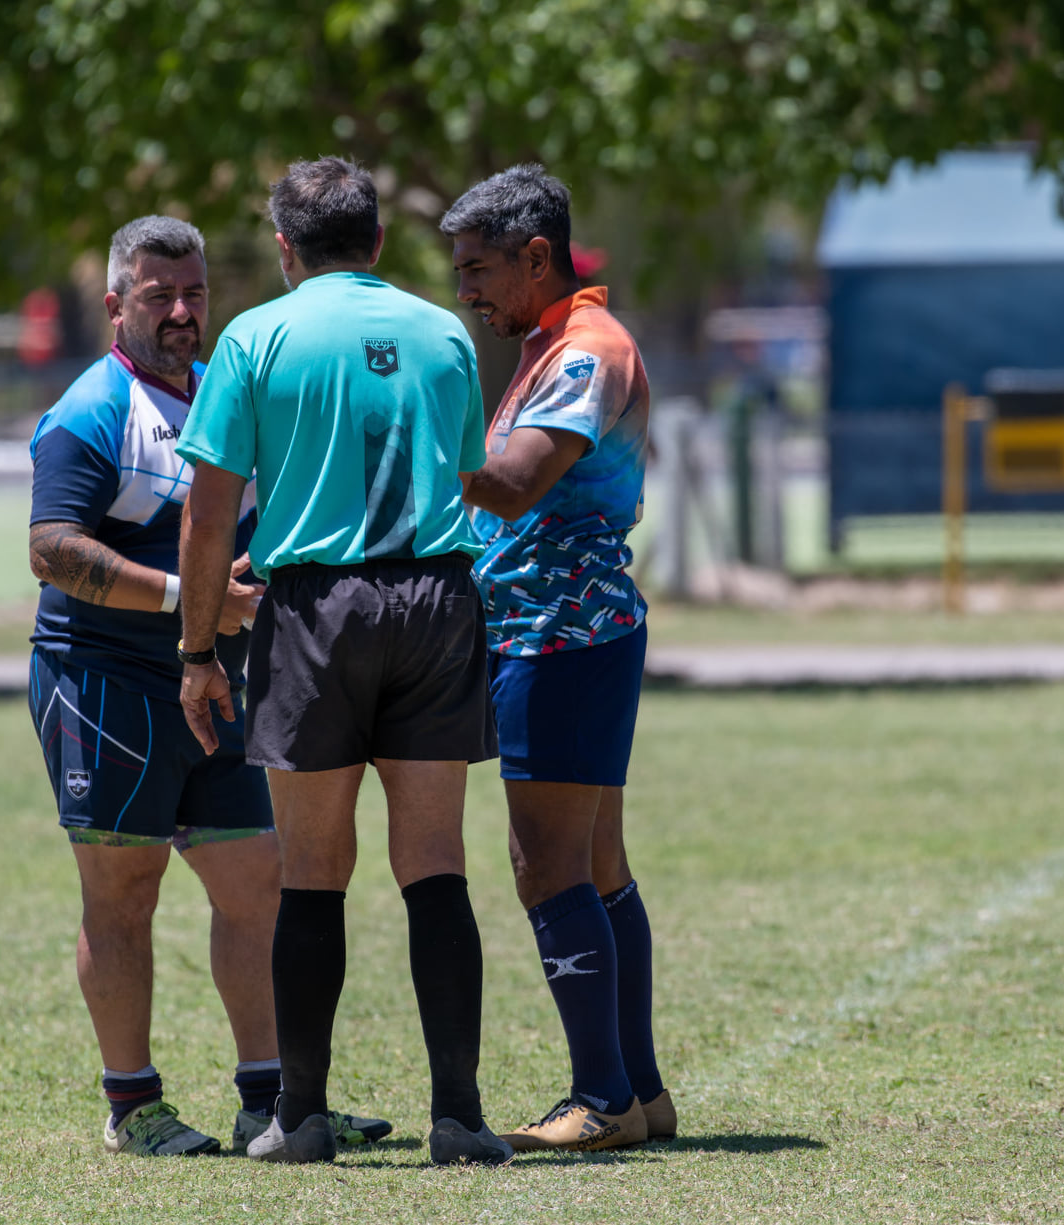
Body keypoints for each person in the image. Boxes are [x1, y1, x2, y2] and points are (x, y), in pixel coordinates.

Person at [26, 215, 389, 1158]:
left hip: (213, 683)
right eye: (160, 295)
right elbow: (52, 550)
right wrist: (189, 597)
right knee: (124, 892)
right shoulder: (91, 409)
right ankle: (131, 1104)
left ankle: (268, 1097)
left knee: (256, 883)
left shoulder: (221, 394)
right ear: (116, 304)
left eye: (194, 293)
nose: (184, 311)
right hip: (101, 683)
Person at [173, 157, 512, 1167]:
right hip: (437, 598)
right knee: (435, 866)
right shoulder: (443, 330)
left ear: (284, 249)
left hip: (316, 611)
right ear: (374, 243)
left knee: (313, 871)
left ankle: (302, 1117)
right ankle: (458, 1118)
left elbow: (207, 513)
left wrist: (196, 649)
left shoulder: (255, 336)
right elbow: (461, 471)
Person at [440, 165, 672, 1151]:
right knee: (596, 864)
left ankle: (602, 1099)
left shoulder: (585, 349)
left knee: (545, 867)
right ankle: (638, 1094)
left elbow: (509, 485)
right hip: (565, 633)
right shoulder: (550, 344)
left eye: (481, 269)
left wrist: (403, 420)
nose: (466, 292)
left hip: (562, 634)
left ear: (538, 256)